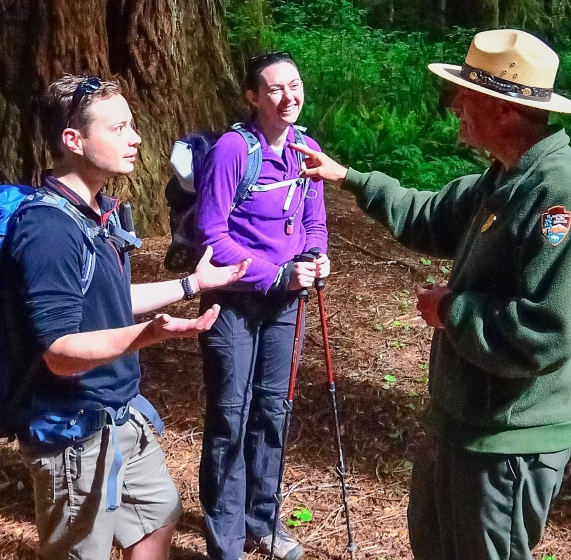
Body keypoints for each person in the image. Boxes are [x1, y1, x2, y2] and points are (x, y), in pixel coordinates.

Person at [292, 29, 571, 560]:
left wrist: (452, 311)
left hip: (506, 444)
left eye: (467, 94)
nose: (455, 104)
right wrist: (347, 177)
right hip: (459, 429)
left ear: (505, 109)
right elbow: (428, 214)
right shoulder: (503, 178)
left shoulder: (559, 194)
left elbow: (545, 332)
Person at [0, 74, 251, 560]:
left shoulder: (98, 213)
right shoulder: (48, 230)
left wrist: (193, 285)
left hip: (119, 414)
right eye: (117, 129)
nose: (135, 138)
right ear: (73, 141)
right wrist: (145, 336)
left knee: (158, 516)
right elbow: (59, 355)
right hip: (72, 432)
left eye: (131, 125)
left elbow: (110, 297)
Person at [194, 52, 330, 560]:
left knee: (274, 409)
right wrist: (274, 273)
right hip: (232, 302)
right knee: (231, 414)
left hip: (285, 305)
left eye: (294, 85)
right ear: (253, 98)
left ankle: (263, 520)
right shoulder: (233, 150)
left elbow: (314, 222)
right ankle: (226, 541)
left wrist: (317, 258)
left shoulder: (306, 150)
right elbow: (211, 234)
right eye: (274, 89)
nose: (288, 96)